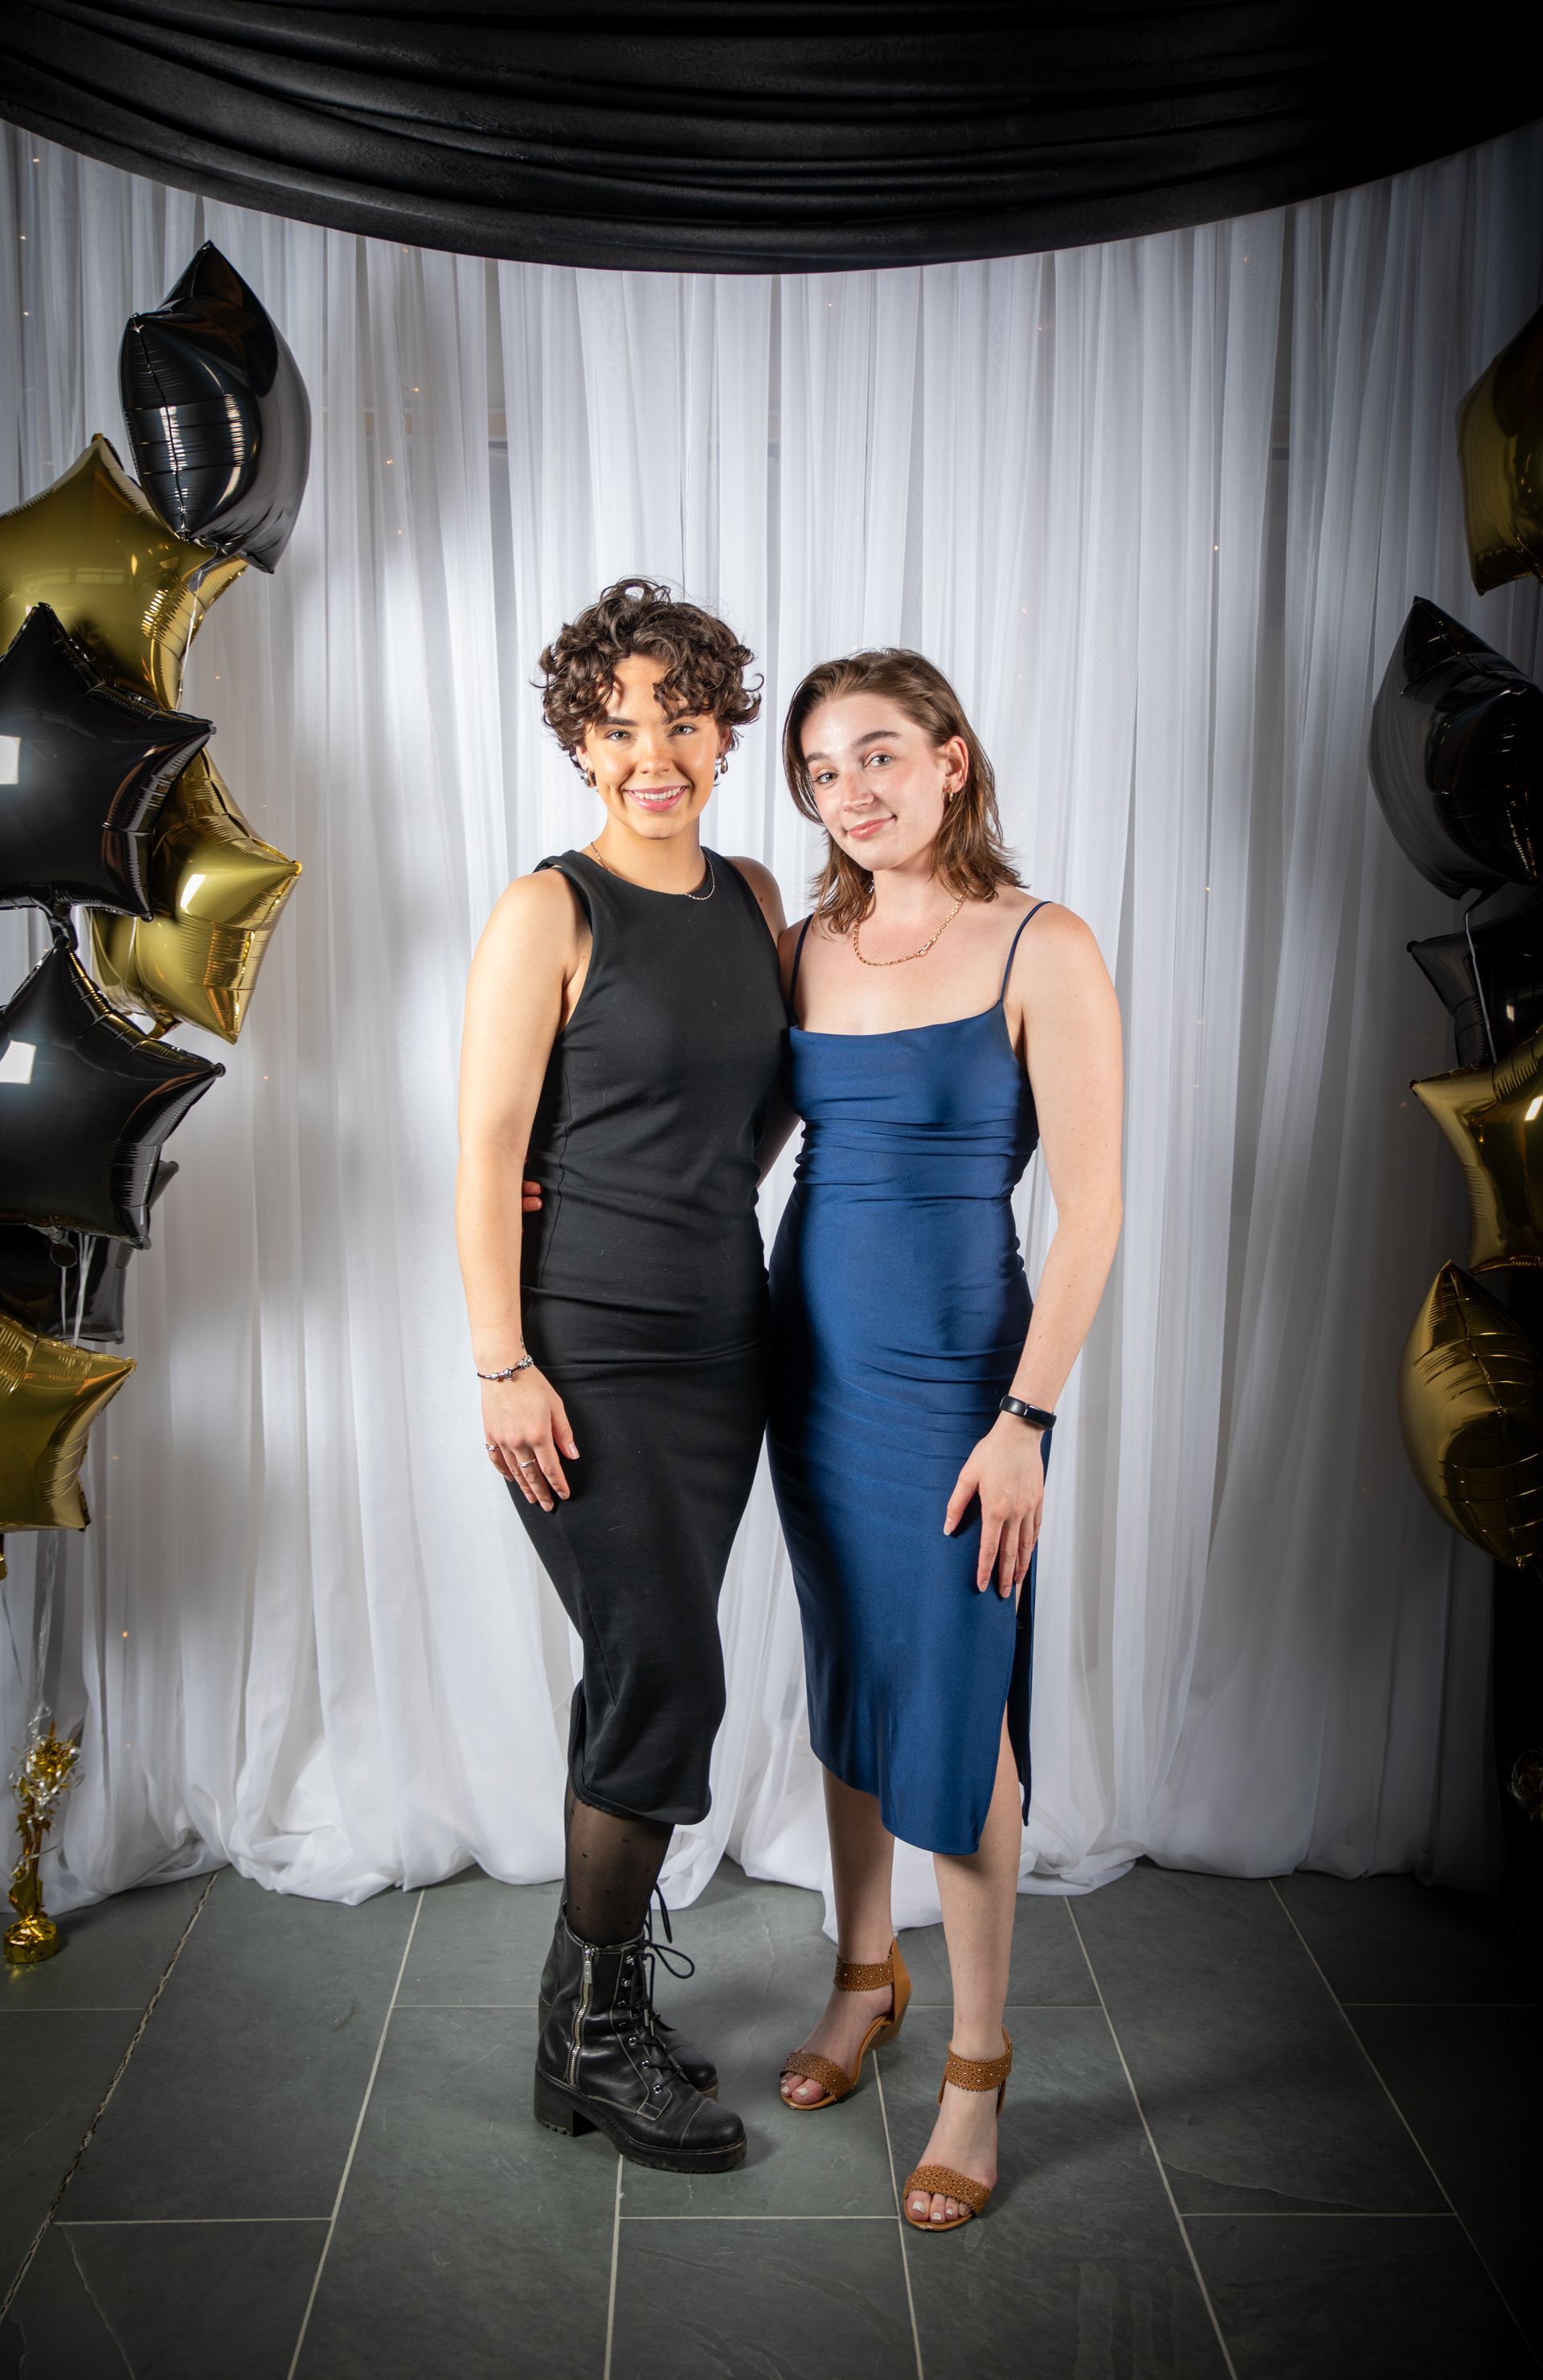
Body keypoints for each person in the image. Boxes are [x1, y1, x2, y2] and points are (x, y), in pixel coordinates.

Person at [767, 649, 1122, 2231]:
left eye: (881, 753)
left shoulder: (1044, 941)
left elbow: (1096, 1205)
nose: (853, 789)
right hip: (812, 1364)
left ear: (954, 759)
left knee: (962, 1705)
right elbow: (728, 1138)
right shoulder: (802, 945)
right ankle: (866, 1969)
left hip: (965, 1380)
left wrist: (1027, 1418)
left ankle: (978, 2059)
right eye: (824, 769)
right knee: (847, 1665)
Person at [456, 579, 787, 2174]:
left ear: (725, 724)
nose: (651, 750)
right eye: (616, 722)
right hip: (581, 1353)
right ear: (580, 739)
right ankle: (596, 2038)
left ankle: (576, 2023)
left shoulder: (756, 895)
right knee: (669, 1669)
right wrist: (503, 1357)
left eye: (680, 715)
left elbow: (761, 1105)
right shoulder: (549, 909)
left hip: (726, 1347)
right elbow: (484, 1152)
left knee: (636, 1666)